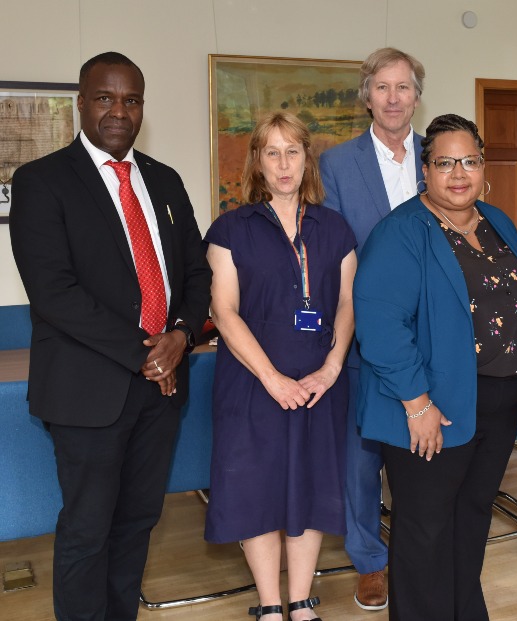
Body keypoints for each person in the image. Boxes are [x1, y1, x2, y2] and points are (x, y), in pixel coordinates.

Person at [8, 52, 211, 620]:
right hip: (88, 391)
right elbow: (55, 293)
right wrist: (148, 353)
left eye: (131, 100)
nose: (118, 111)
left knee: (138, 524)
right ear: (81, 101)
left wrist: (181, 335)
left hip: (162, 392)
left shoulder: (166, 182)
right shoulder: (42, 181)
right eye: (105, 98)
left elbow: (197, 275)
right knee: (87, 532)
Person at [354, 113, 517, 621]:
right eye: (444, 162)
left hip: (496, 406)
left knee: (472, 518)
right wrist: (417, 405)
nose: (459, 173)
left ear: (484, 166)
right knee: (425, 528)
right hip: (431, 408)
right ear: (425, 172)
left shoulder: (497, 221)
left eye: (470, 161)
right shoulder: (402, 231)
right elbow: (381, 325)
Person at [203, 112, 357, 621]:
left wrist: (333, 368)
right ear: (258, 162)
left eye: (293, 151)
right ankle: (270, 605)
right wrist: (271, 378)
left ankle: (302, 600)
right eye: (272, 152)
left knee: (310, 486)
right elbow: (223, 312)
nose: (284, 163)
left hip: (318, 384)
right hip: (251, 385)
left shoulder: (335, 228)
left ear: (307, 158)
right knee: (256, 489)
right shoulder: (230, 228)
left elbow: (347, 305)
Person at [318, 47, 425, 610]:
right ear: (367, 96)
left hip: (429, 336)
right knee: (360, 460)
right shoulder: (337, 164)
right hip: (360, 333)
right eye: (381, 87)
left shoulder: (441, 156)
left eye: (402, 87)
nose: (392, 98)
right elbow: (336, 250)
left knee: (421, 456)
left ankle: (414, 553)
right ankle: (368, 559)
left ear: (416, 95)